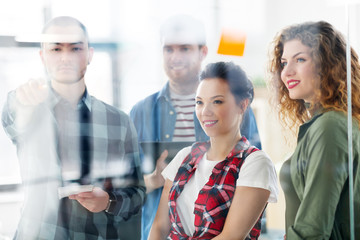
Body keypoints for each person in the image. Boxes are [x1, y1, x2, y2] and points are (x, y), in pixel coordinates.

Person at [1, 16, 145, 239]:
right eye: (56, 49)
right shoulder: (27, 106)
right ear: (43, 56)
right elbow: (12, 118)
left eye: (75, 49)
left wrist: (108, 201)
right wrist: (22, 103)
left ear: (89, 55)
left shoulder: (119, 121)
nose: (66, 58)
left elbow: (137, 193)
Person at [129, 14, 262, 240]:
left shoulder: (234, 110)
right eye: (168, 49)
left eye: (185, 49)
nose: (175, 57)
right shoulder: (141, 112)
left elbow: (253, 177)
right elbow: (123, 186)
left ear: (203, 52)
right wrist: (151, 181)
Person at [148, 61, 278, 239]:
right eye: (199, 102)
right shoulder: (185, 157)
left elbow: (231, 237)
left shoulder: (255, 163)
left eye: (217, 101)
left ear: (242, 105)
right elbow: (160, 226)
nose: (205, 111)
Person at [268, 21, 360, 239]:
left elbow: (312, 230)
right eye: (284, 62)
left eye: (300, 59)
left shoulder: (331, 125)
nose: (287, 72)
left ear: (328, 64)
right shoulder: (323, 122)